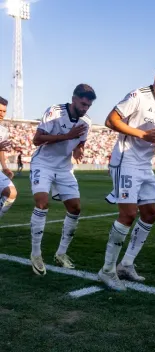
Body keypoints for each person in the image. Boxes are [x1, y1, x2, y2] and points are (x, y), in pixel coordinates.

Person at [97, 61, 155, 291]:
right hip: (127, 160)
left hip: (145, 164)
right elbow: (110, 120)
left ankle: (126, 264)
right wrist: (142, 134)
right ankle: (107, 270)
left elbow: (153, 136)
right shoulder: (138, 95)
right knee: (128, 214)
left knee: (151, 214)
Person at [29, 84, 96, 275]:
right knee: (42, 203)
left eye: (88, 106)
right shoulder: (54, 111)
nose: (84, 109)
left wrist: (78, 148)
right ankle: (35, 254)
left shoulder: (87, 122)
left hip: (64, 167)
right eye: (82, 104)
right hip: (43, 163)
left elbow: (80, 141)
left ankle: (61, 253)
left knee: (75, 208)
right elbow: (37, 140)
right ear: (74, 98)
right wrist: (66, 136)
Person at [0, 96, 17, 222]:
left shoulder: (3, 130)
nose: (2, 114)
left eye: (4, 111)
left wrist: (5, 167)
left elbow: (1, 150)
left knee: (11, 192)